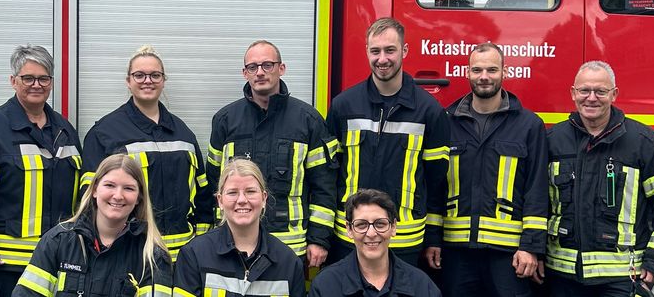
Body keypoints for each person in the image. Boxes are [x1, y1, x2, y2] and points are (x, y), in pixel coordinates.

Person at [545, 61, 654, 296]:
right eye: (584, 90)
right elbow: (536, 203)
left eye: (600, 91)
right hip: (562, 275)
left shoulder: (643, 142)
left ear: (614, 94)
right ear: (573, 93)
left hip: (621, 278)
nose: (591, 98)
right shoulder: (552, 140)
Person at [326, 17, 450, 266]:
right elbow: (330, 174)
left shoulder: (429, 111)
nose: (382, 59)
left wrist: (434, 237)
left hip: (404, 239)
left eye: (390, 50)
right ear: (367, 52)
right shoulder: (343, 106)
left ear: (404, 50)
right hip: (351, 235)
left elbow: (437, 183)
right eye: (375, 51)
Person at [425, 43, 547, 296]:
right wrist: (433, 239)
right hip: (455, 253)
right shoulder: (446, 122)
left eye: (492, 70)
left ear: (504, 72)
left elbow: (537, 189)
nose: (484, 77)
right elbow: (435, 187)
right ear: (467, 73)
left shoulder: (528, 125)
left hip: (509, 255)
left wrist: (531, 247)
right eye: (477, 70)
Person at [0, 45, 82, 296]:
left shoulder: (64, 130)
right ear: (13, 81)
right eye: (28, 78)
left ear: (51, 82)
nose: (36, 85)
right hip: (3, 266)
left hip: (54, 262)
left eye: (43, 78)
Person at [206, 40, 338, 267]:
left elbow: (324, 186)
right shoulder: (225, 121)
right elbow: (211, 184)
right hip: (232, 241)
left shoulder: (308, 120)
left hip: (290, 245)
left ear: (281, 68)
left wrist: (319, 239)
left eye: (267, 65)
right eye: (252, 67)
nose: (259, 72)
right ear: (244, 73)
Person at [81, 45, 211, 262]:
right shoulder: (104, 133)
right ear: (128, 81)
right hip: (128, 251)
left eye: (155, 75)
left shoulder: (184, 134)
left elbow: (203, 196)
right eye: (139, 75)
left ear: (163, 80)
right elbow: (89, 198)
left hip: (183, 255)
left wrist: (201, 241)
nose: (147, 81)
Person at [13, 154, 172, 296]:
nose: (118, 196)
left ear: (139, 198)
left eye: (128, 188)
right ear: (95, 190)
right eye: (109, 185)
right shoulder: (57, 241)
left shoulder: (153, 256)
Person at [174, 158, 305, 297]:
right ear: (220, 201)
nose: (242, 200)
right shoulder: (194, 255)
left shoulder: (289, 263)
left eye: (250, 191)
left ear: (264, 199)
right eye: (232, 193)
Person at [310, 189, 441, 297]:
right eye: (361, 225)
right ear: (349, 229)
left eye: (380, 224)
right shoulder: (326, 286)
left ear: (393, 227)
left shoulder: (422, 286)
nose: (371, 233)